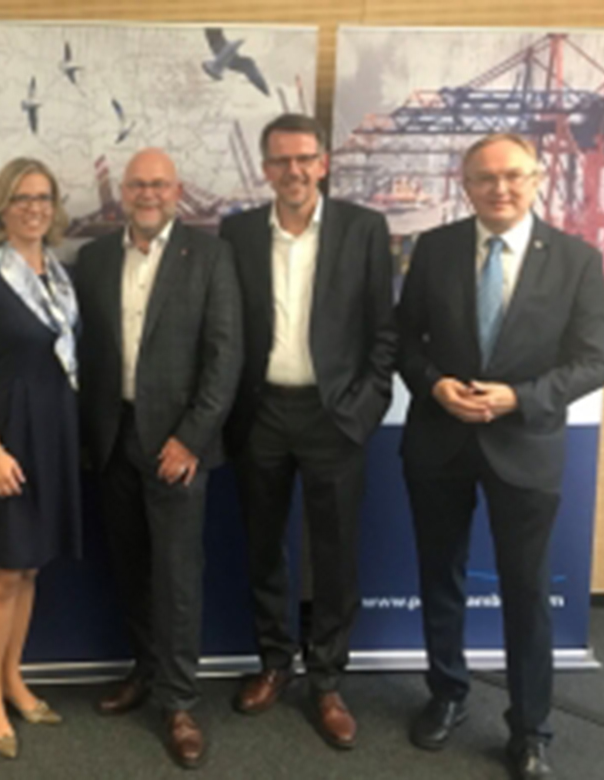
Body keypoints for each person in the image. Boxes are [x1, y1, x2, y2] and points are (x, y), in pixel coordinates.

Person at [397, 132, 604, 780]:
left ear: (537, 178)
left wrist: (518, 398)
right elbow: (403, 340)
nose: (500, 188)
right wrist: (433, 383)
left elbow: (596, 361)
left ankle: (531, 728)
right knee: (440, 576)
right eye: (485, 178)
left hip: (525, 447)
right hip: (439, 440)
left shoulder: (576, 259)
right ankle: (447, 694)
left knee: (527, 592)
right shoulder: (433, 249)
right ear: (465, 185)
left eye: (513, 175)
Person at [218, 113, 396, 749]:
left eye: (304, 159)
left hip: (334, 417)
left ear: (323, 163)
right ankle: (274, 663)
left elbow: (384, 331)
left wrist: (364, 408)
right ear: (265, 169)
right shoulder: (238, 232)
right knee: (264, 546)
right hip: (261, 413)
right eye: (280, 160)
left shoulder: (363, 229)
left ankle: (326, 680)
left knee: (335, 553)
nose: (292, 171)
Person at [74, 148, 242, 769]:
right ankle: (145, 670)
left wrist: (191, 437)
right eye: (138, 184)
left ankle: (179, 702)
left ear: (177, 190)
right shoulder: (94, 258)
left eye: (160, 184)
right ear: (123, 191)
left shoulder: (211, 256)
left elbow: (225, 357)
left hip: (178, 446)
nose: (148, 194)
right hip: (112, 438)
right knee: (129, 569)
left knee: (177, 577)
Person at [0, 157, 82, 760]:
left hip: (51, 435)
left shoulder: (60, 274)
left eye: (43, 197)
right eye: (22, 198)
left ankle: (12, 677)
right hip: (2, 439)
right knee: (2, 572)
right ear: (2, 207)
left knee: (29, 569)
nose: (34, 208)